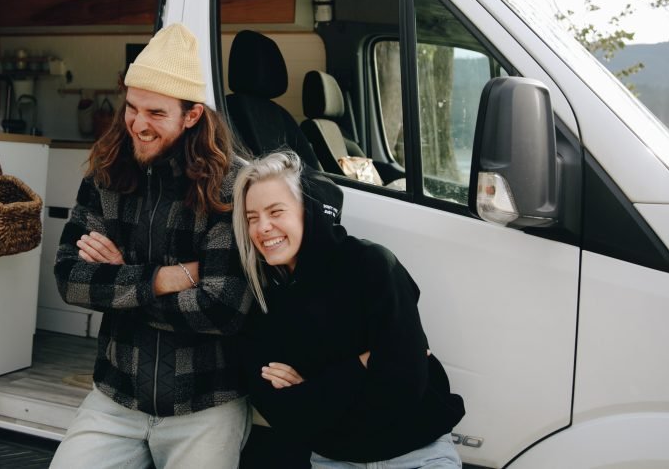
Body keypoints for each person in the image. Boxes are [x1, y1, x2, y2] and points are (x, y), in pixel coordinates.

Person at [52, 23, 253, 469]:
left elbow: (223, 309)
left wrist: (120, 283)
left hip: (207, 404)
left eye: (156, 113)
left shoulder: (231, 186)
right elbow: (70, 281)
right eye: (132, 108)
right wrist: (167, 277)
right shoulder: (105, 176)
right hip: (115, 398)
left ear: (192, 115)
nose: (138, 125)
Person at [232, 151, 465, 468]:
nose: (263, 228)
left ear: (309, 212)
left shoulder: (372, 265)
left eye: (276, 212)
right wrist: (361, 364)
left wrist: (312, 388)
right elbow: (284, 415)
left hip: (415, 455)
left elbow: (403, 386)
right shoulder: (260, 294)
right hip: (334, 460)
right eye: (252, 218)